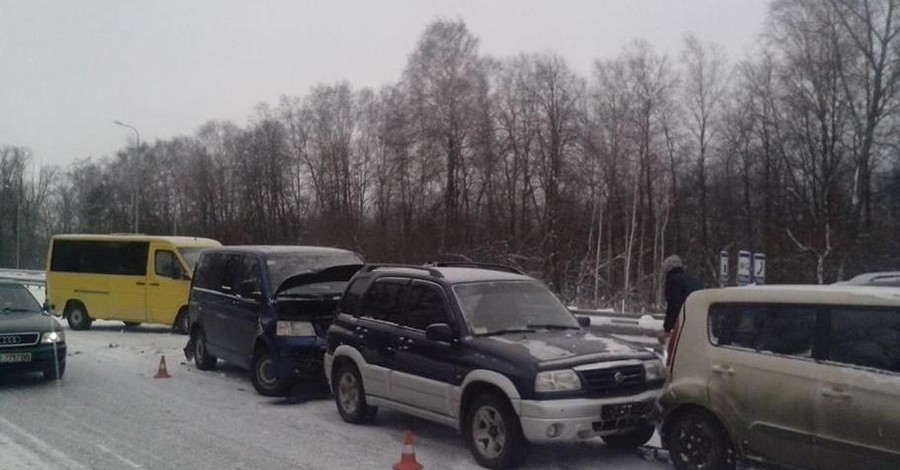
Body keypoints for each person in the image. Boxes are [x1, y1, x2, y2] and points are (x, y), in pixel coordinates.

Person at [662, 255, 703, 334]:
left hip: (683, 323)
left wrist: (667, 328)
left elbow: (673, 306)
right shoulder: (692, 279)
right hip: (698, 322)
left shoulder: (673, 280)